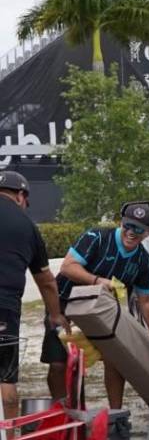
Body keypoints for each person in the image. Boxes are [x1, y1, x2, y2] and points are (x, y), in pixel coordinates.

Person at [43, 202, 149, 412]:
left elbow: (146, 300)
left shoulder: (144, 261)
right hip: (63, 302)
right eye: (128, 226)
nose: (131, 233)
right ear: (121, 222)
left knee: (115, 358)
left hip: (99, 312)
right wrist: (98, 281)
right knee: (60, 363)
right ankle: (63, 414)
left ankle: (116, 415)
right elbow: (68, 267)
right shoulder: (96, 237)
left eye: (138, 229)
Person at [0, 171, 66, 419]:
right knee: (4, 376)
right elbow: (47, 282)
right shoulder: (26, 226)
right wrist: (56, 316)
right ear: (20, 196)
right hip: (4, 306)